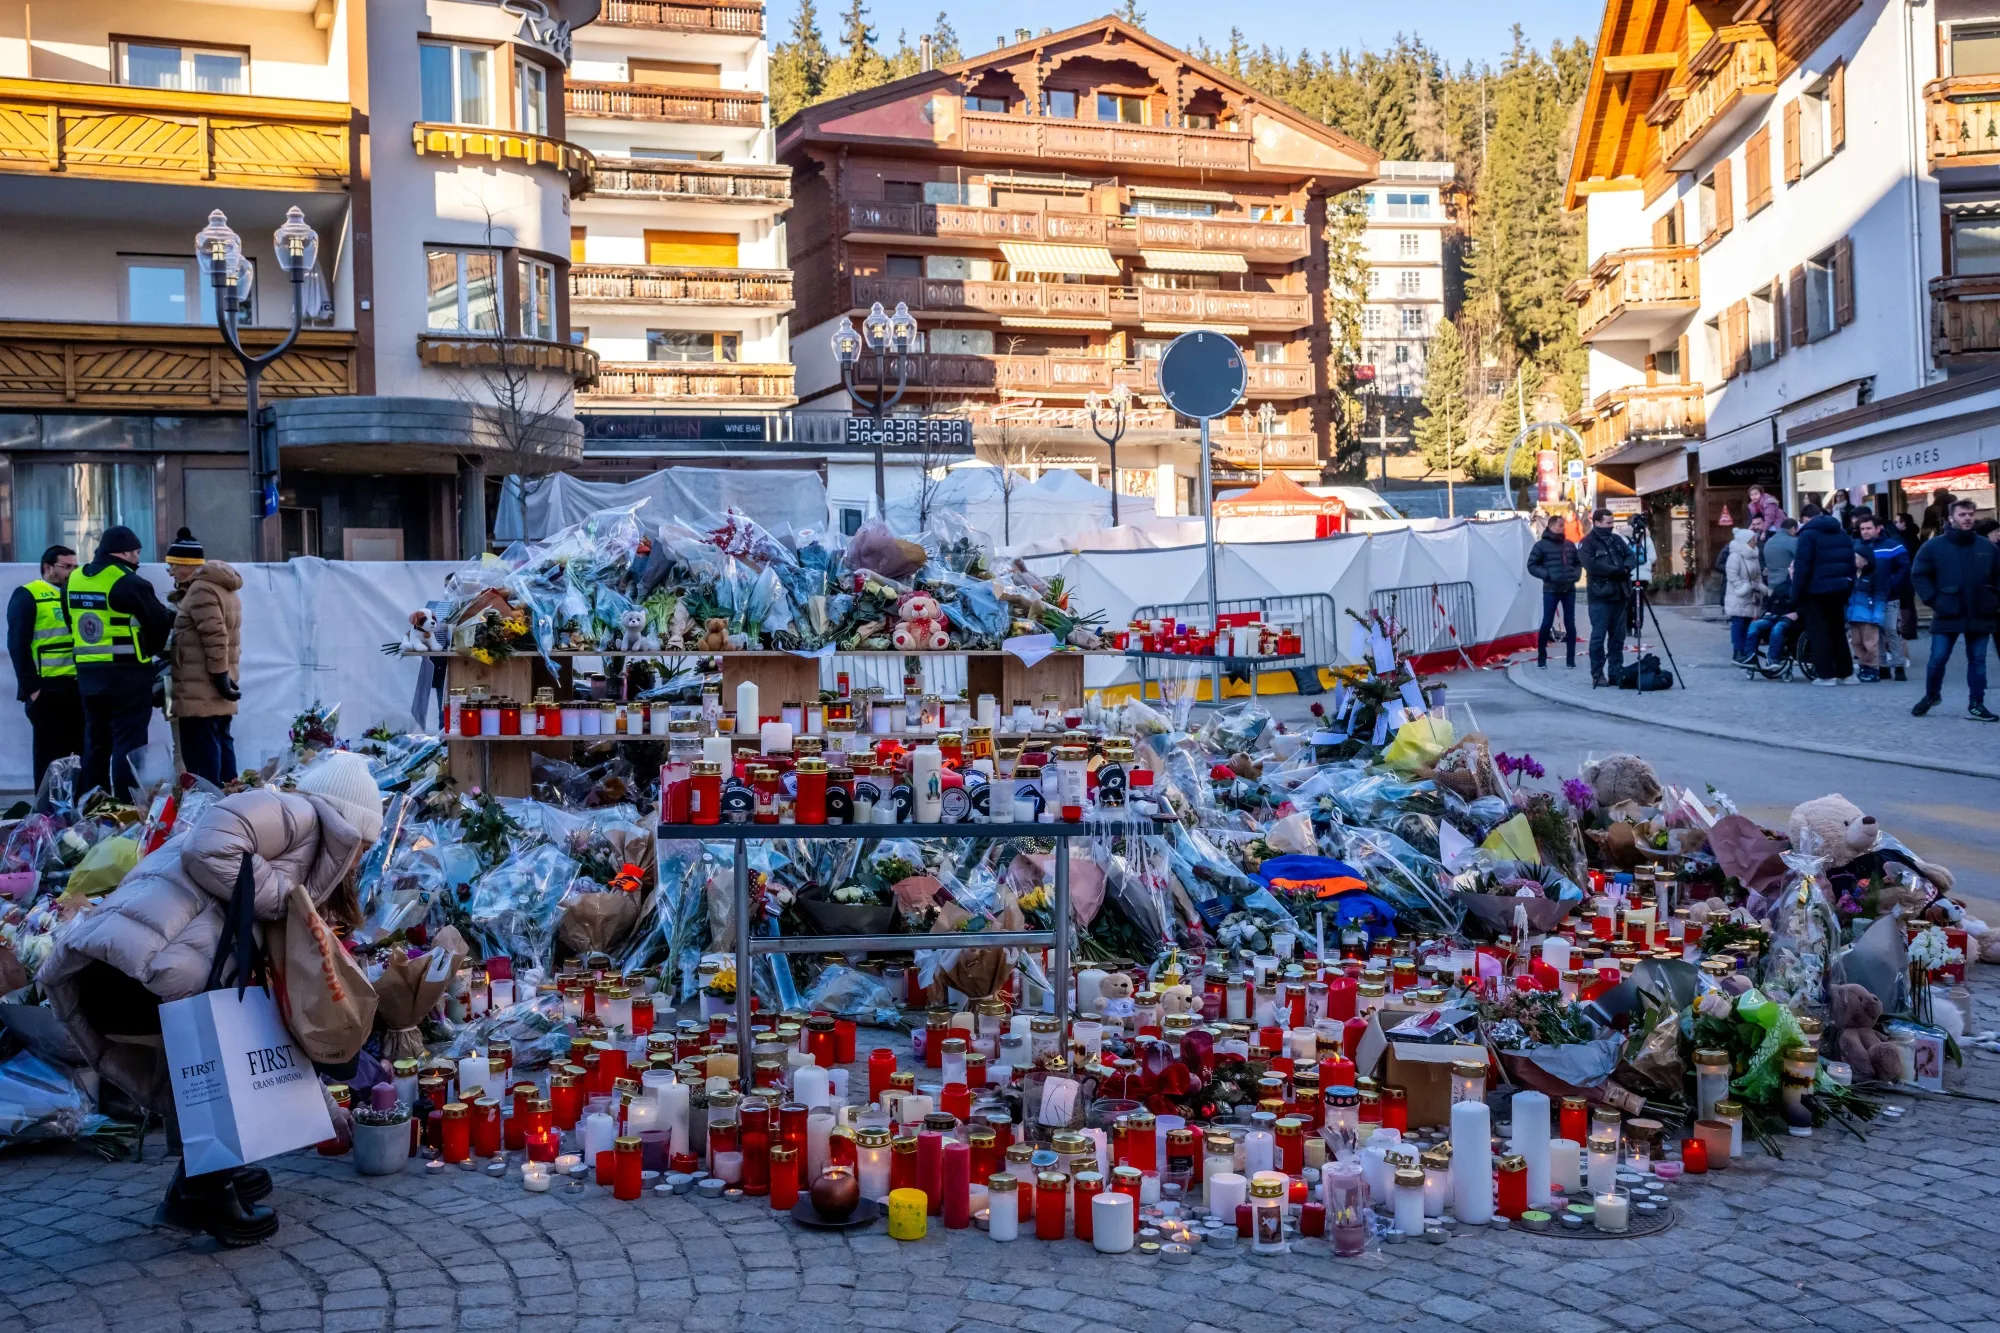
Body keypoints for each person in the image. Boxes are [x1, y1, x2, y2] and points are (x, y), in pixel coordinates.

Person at [40, 751, 387, 1246]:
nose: (359, 860)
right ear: (352, 826)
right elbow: (209, 846)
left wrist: (323, 1114)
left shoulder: (296, 840)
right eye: (364, 845)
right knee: (213, 1057)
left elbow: (275, 1028)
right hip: (133, 974)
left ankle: (207, 1178)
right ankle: (205, 1189)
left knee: (215, 1050)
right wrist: (286, 902)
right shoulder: (296, 815)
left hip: (132, 970)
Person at [65, 526, 176, 799]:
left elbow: (71, 622)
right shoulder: (129, 582)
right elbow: (159, 621)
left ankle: (93, 805)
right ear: (124, 552)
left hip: (89, 677)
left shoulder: (74, 579)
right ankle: (126, 809)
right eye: (136, 552)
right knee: (128, 746)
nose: (138, 558)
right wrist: (149, 651)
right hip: (127, 677)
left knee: (95, 744)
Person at [163, 528, 243, 786]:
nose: (171, 572)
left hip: (201, 689)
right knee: (221, 740)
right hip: (213, 688)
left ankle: (208, 805)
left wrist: (220, 676)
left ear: (187, 566)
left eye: (173, 566)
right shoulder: (221, 588)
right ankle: (230, 797)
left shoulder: (201, 591)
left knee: (201, 753)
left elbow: (216, 636)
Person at [1910, 496, 2000, 720]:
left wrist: (1994, 599)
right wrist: (1934, 600)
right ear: (1951, 518)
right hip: (1948, 611)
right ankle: (1932, 695)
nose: (1967, 519)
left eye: (1970, 514)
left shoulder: (1987, 546)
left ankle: (1976, 704)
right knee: (1937, 658)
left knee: (1978, 660)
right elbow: (1919, 574)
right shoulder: (1933, 546)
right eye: (1962, 515)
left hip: (1981, 611)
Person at [7, 545, 82, 791]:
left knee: (79, 757)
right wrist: (32, 689)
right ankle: (46, 817)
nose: (72, 572)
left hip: (77, 687)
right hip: (47, 689)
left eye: (75, 566)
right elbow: (18, 644)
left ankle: (76, 816)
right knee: (49, 759)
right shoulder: (29, 594)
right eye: (66, 566)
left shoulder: (76, 594)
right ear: (48, 567)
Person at [1792, 502, 1856, 686]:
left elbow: (1802, 568)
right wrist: (1849, 586)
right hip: (1839, 588)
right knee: (1837, 631)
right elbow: (1850, 563)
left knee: (1819, 632)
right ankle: (1846, 673)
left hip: (1816, 590)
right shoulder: (1842, 533)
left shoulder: (1808, 535)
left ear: (1805, 519)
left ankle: (1826, 675)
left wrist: (1795, 595)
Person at [1578, 508, 1639, 687]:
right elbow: (1591, 565)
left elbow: (1631, 556)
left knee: (1617, 638)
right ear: (1596, 523)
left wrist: (1626, 568)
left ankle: (1615, 672)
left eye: (1612, 523)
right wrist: (1616, 570)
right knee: (1598, 637)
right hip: (1600, 597)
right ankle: (1597, 674)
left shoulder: (1616, 540)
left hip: (1620, 594)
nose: (1611, 526)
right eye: (1608, 523)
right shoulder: (1587, 543)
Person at [1856, 512, 1911, 681]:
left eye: (1868, 528)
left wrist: (1891, 585)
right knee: (1875, 632)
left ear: (1878, 529)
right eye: (1862, 529)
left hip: (1889, 596)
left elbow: (1903, 569)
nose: (1865, 532)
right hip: (1867, 596)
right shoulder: (1858, 547)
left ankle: (1899, 666)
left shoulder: (1893, 546)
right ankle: (1883, 666)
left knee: (1890, 630)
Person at [1526, 513, 1581, 669]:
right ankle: (1541, 658)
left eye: (1563, 525)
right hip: (1551, 589)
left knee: (1570, 623)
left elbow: (1577, 562)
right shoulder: (1541, 545)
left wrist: (1575, 575)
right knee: (1547, 623)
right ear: (1551, 526)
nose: (1563, 528)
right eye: (1560, 525)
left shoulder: (1569, 545)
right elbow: (1531, 565)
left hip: (1569, 589)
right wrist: (1547, 574)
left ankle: (1571, 660)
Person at [1725, 520, 1768, 663]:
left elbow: (1757, 576)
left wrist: (1761, 588)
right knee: (1738, 623)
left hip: (1752, 595)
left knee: (1749, 624)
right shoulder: (1735, 556)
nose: (1755, 541)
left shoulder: (1754, 555)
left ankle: (1748, 651)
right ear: (1746, 541)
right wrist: (1741, 588)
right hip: (1738, 596)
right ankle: (1738, 652)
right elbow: (1731, 575)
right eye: (1752, 539)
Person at [1761, 516, 1798, 602]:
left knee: (1774, 612)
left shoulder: (1768, 542)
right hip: (1787, 586)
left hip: (1771, 585)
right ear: (1793, 529)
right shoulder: (1793, 541)